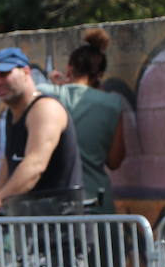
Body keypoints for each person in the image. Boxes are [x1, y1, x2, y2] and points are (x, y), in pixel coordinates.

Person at [0, 47, 82, 217]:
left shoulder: (45, 109)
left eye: (4, 74)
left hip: (62, 229)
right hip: (33, 227)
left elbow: (35, 164)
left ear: (26, 71)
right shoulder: (12, 114)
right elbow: (9, 163)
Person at [40, 29, 126, 212]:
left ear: (69, 68)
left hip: (58, 202)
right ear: (100, 74)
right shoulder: (113, 104)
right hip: (98, 199)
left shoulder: (47, 94)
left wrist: (58, 84)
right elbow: (114, 160)